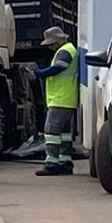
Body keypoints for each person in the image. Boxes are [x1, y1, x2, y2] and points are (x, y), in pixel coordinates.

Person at [34, 26, 78, 176]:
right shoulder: (70, 49)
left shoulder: (65, 51)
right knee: (64, 133)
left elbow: (58, 68)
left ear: (60, 40)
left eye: (51, 43)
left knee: (51, 131)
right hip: (67, 98)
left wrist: (40, 73)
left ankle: (51, 163)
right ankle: (65, 162)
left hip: (60, 98)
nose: (50, 47)